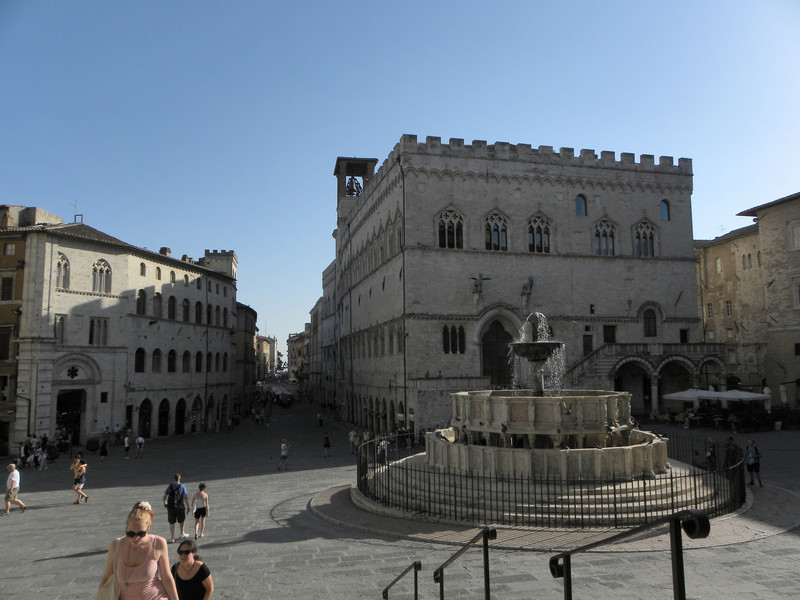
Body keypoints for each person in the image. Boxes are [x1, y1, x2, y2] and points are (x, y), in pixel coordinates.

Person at [98, 500, 179, 600]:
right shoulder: (116, 546)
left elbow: (166, 577)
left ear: (148, 528)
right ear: (126, 528)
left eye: (141, 534)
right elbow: (106, 577)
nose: (135, 538)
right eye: (130, 534)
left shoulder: (158, 543)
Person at [163, 473, 191, 542]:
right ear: (179, 479)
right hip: (180, 506)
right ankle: (182, 533)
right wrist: (188, 506)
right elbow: (185, 497)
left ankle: (172, 537)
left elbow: (164, 496)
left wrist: (165, 502)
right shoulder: (182, 486)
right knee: (181, 521)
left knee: (172, 522)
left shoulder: (170, 486)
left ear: (174, 479)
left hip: (171, 507)